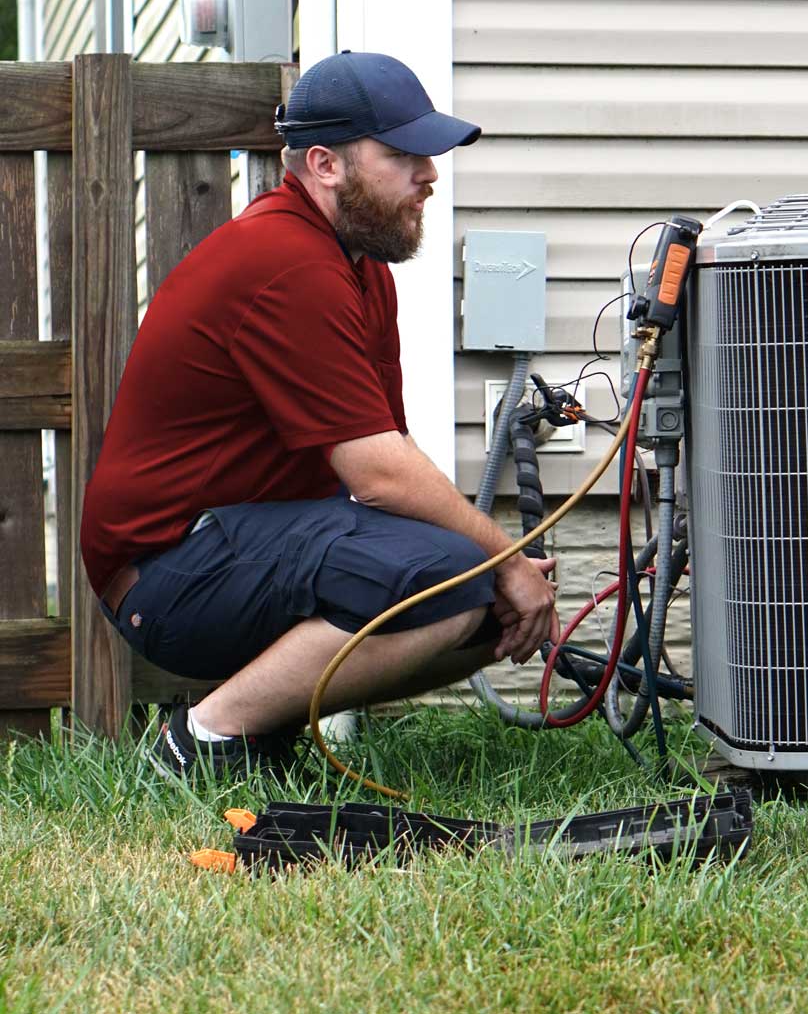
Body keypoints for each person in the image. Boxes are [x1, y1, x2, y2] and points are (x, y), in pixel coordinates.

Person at [80, 51, 558, 778]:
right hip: (166, 572)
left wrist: (500, 573)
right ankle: (201, 742)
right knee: (460, 579)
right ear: (324, 164)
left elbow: (386, 451)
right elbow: (378, 476)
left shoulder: (356, 267)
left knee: (475, 593)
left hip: (242, 541)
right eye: (403, 154)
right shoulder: (284, 261)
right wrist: (505, 560)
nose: (429, 173)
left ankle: (259, 729)